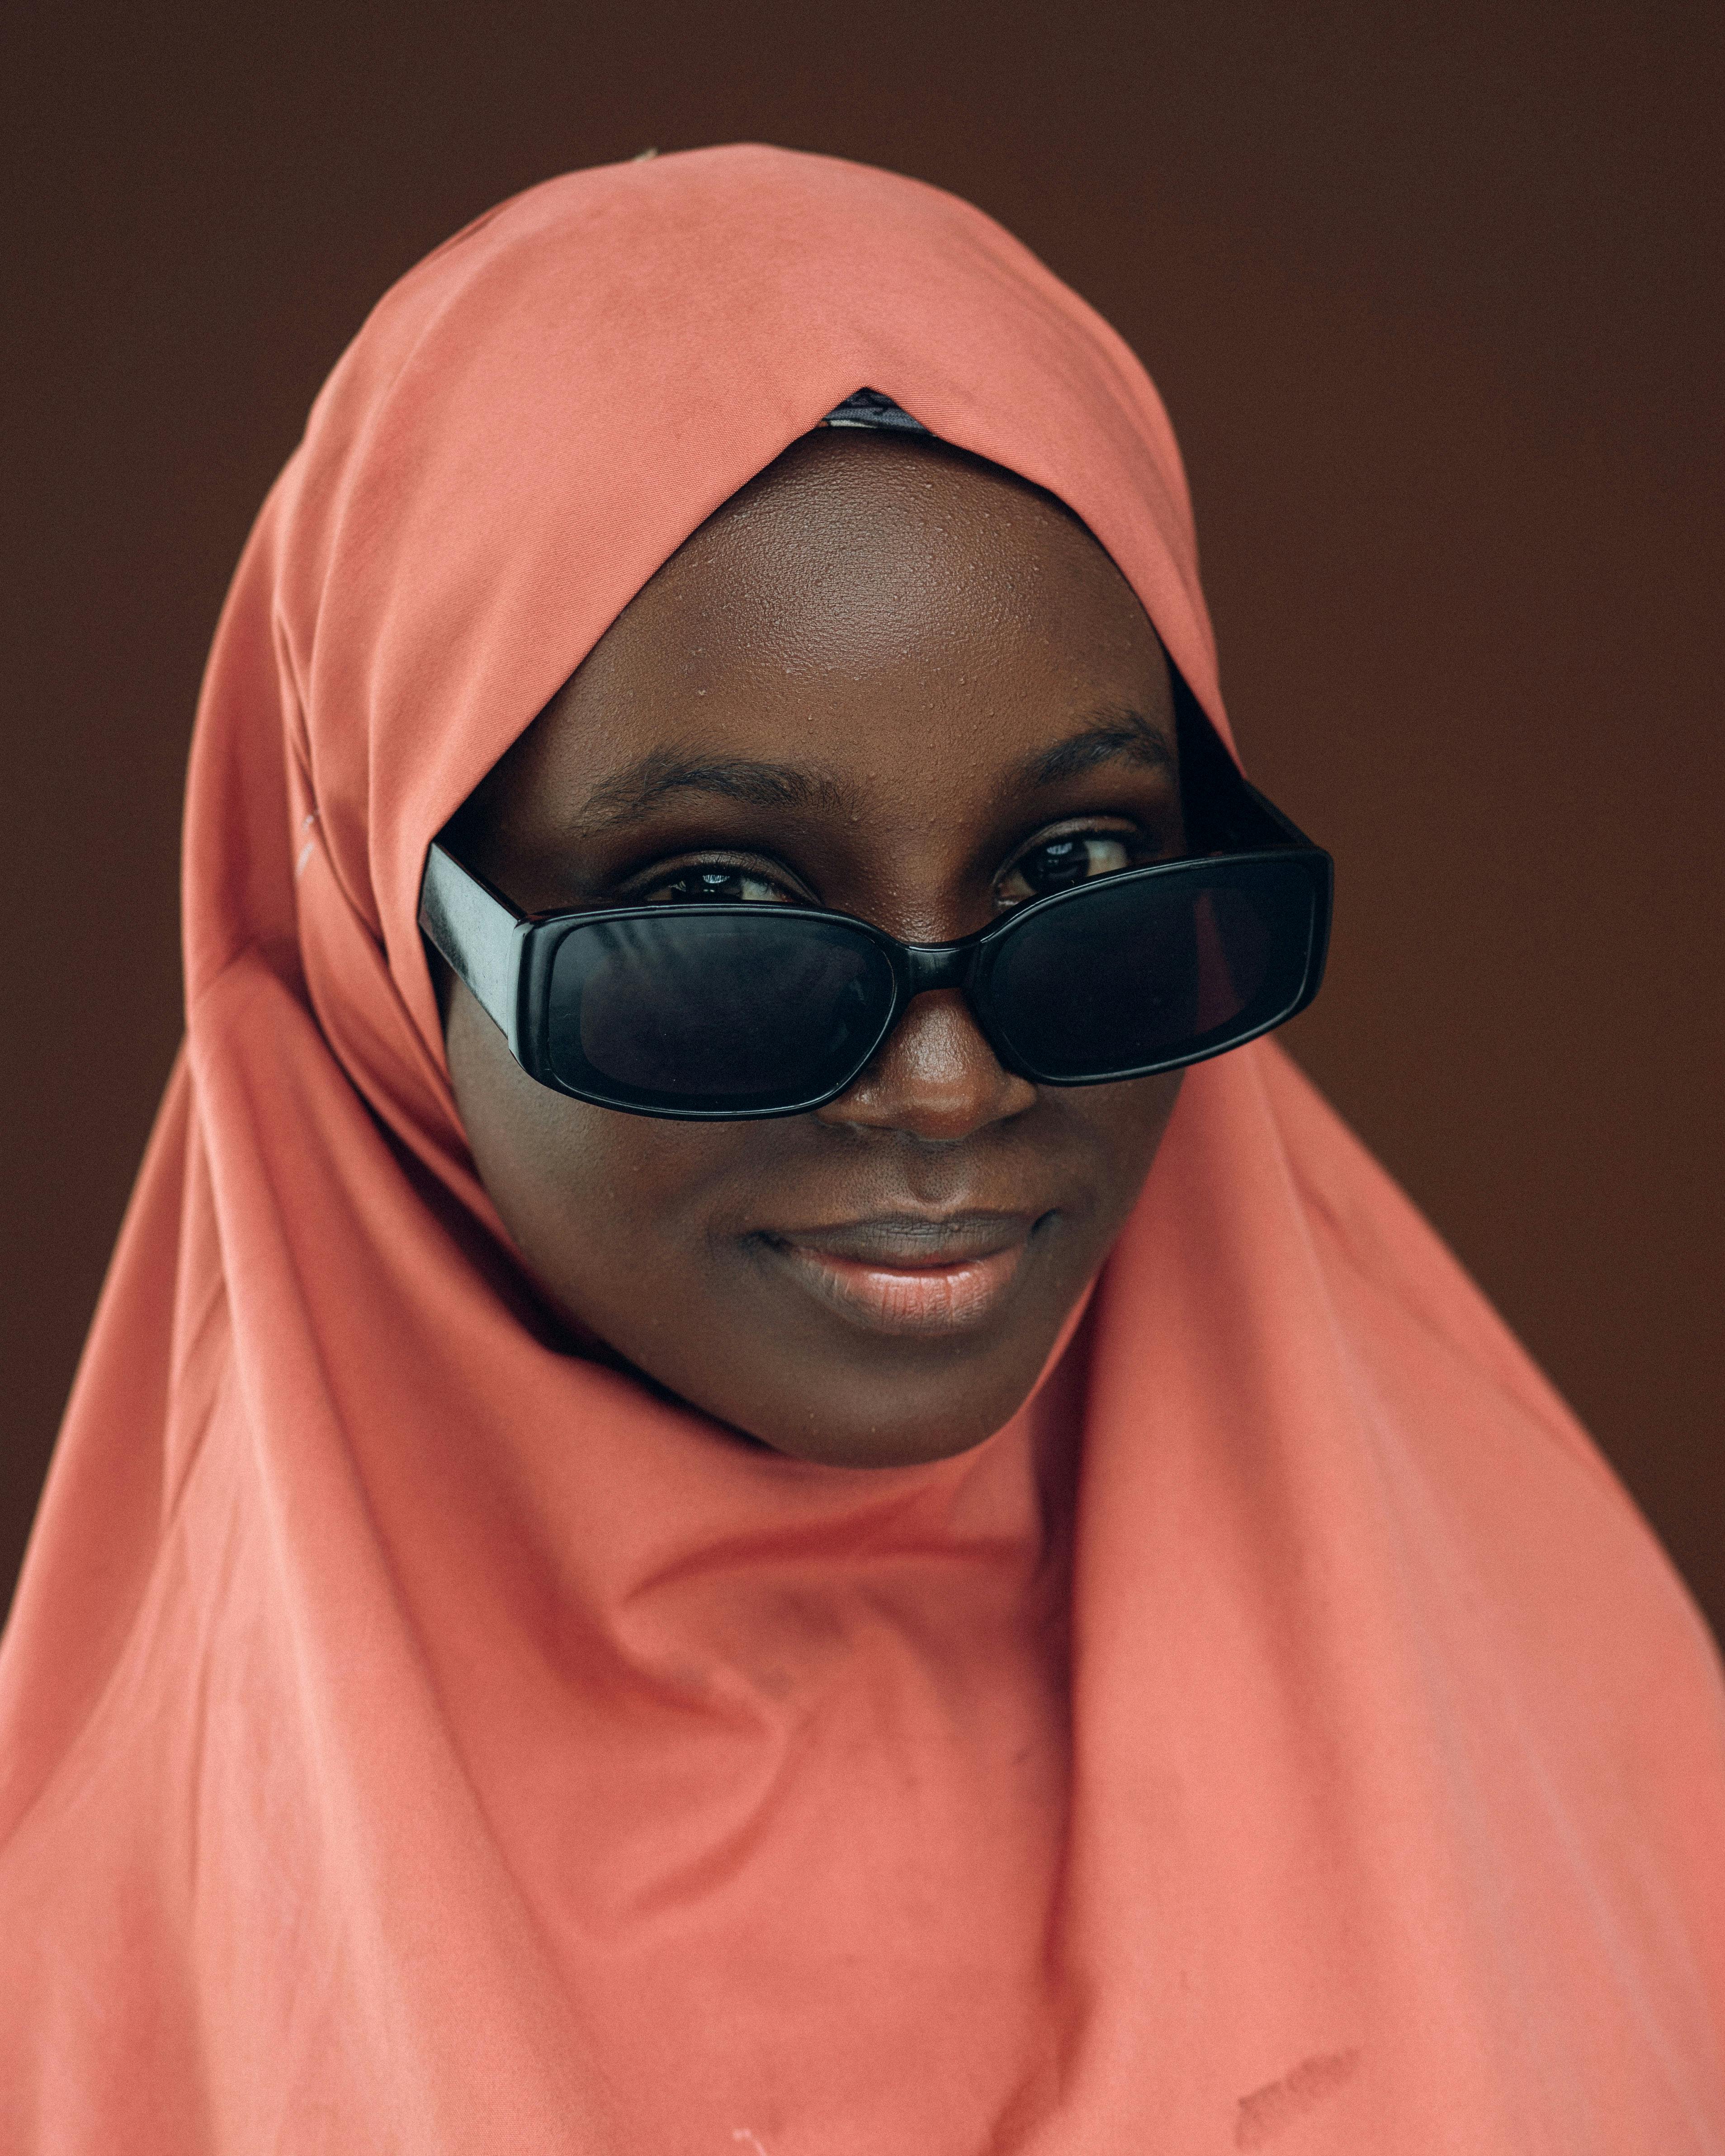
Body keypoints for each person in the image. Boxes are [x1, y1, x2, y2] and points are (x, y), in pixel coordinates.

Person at [0, 144, 1720, 2154]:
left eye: (1078, 871)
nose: (942, 1087)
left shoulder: (1607, 1773)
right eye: (717, 903)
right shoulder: (70, 1984)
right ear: (388, 947)